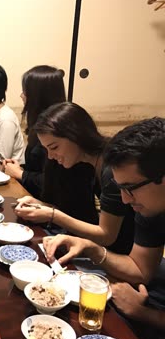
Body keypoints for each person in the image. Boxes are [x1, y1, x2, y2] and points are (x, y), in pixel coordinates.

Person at [42, 117, 165, 339]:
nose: (125, 200)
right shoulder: (150, 207)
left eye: (129, 188)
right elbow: (140, 269)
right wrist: (91, 248)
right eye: (120, 189)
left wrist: (146, 314)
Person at [14, 102, 135, 255]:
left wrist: (53, 215)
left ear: (75, 136)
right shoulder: (85, 163)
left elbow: (107, 236)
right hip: (105, 248)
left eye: (54, 147)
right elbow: (79, 215)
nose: (50, 156)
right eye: (47, 149)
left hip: (120, 255)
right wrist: (41, 205)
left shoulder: (111, 168)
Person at [2, 65, 66, 197]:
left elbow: (57, 182)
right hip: (34, 198)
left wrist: (20, 174)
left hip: (52, 207)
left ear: (37, 96)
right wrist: (19, 168)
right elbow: (38, 169)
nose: (21, 95)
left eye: (25, 91)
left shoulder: (56, 130)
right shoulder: (39, 124)